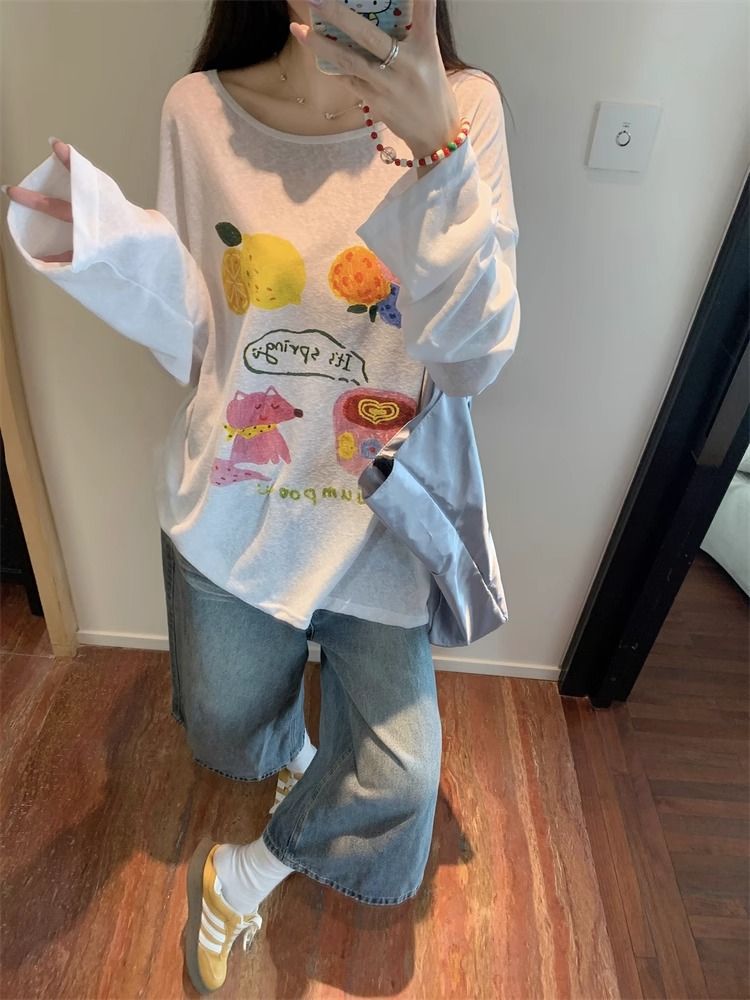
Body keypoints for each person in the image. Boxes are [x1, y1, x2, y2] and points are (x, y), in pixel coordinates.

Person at [3, 0, 520, 992]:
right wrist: (108, 249)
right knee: (226, 730)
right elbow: (200, 337)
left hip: (381, 520)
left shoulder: (466, 110)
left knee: (402, 786)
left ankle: (245, 872)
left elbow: (472, 363)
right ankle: (291, 755)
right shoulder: (198, 112)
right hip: (238, 505)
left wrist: (437, 153)